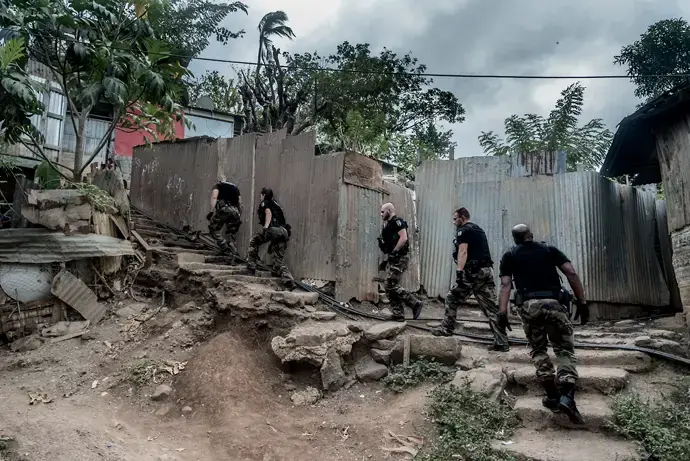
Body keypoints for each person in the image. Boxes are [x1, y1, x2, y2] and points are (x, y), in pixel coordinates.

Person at [498, 224, 589, 424]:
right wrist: (582, 303)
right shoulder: (549, 250)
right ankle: (567, 396)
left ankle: (552, 395)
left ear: (515, 239)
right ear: (531, 235)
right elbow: (571, 273)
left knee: (538, 350)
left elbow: (505, 285)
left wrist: (502, 313)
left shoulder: (510, 255)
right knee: (564, 350)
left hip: (529, 308)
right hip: (554, 305)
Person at [431, 207, 509, 352]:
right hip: (486, 271)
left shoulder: (464, 230)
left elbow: (463, 251)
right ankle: (502, 342)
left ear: (463, 217)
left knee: (451, 298)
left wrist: (459, 273)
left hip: (473, 272)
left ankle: (446, 329)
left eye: (455, 219)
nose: (454, 222)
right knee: (491, 308)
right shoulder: (477, 229)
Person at [378, 203, 424, 321]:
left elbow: (403, 238)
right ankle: (398, 314)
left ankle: (415, 303)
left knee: (390, 284)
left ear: (389, 210)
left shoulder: (397, 221)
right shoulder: (387, 225)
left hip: (400, 257)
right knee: (389, 286)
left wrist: (394, 251)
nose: (381, 214)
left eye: (383, 212)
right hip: (394, 258)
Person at [246, 187, 294, 288]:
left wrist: (266, 227)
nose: (260, 197)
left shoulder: (265, 203)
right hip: (284, 232)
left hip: (274, 230)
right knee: (277, 264)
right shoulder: (277, 205)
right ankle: (288, 279)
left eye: (260, 195)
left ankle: (251, 267)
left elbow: (268, 213)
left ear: (263, 195)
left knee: (254, 241)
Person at [207, 179, 242, 258]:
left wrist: (211, 211)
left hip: (224, 209)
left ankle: (224, 247)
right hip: (235, 211)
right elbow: (240, 203)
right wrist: (239, 215)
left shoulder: (218, 185)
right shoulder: (235, 188)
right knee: (231, 232)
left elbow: (214, 197)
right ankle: (233, 252)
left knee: (213, 228)